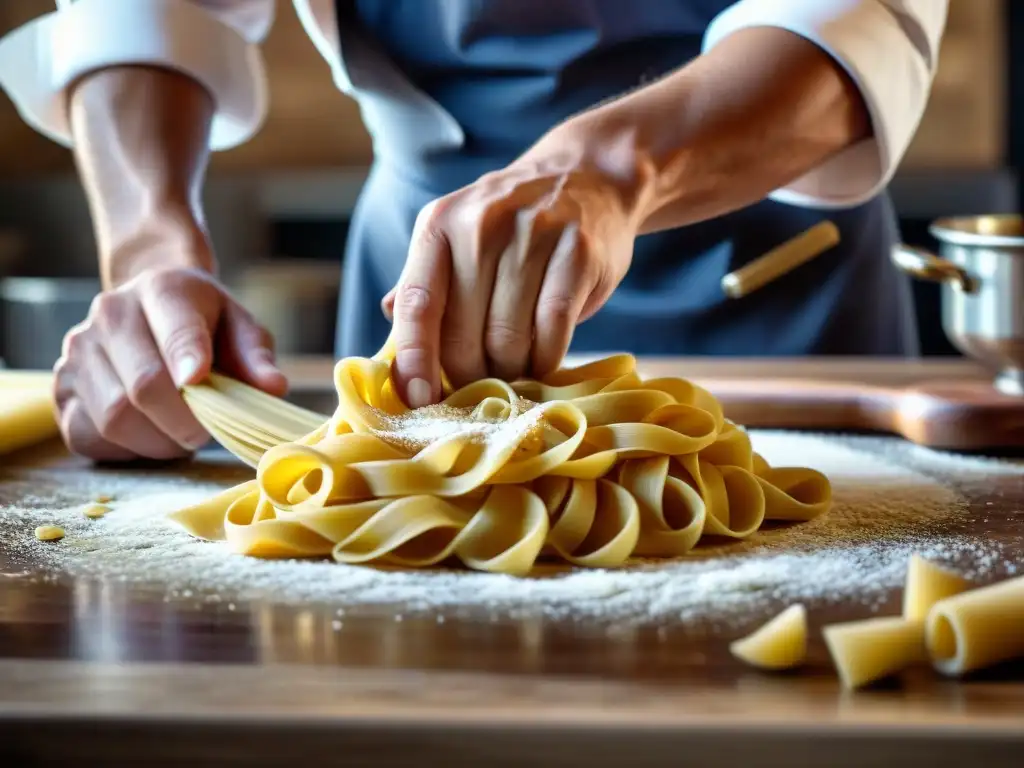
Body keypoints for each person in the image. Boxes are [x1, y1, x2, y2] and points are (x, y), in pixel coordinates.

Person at [0, 0, 946, 462]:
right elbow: (145, 13)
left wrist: (611, 168)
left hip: (780, 290)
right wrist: (149, 254)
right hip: (416, 300)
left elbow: (860, 17)